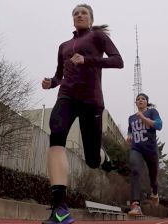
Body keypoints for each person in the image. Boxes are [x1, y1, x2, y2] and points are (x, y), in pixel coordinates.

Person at [41, 4, 123, 224]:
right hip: (66, 96)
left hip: (91, 100)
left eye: (83, 13)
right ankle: (60, 209)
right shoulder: (64, 46)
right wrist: (51, 83)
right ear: (72, 19)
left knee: (92, 160)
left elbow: (118, 61)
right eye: (75, 13)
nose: (79, 15)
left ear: (91, 18)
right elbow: (60, 75)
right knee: (56, 136)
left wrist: (87, 60)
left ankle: (103, 156)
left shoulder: (97, 37)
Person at [126, 93, 163, 215]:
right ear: (136, 103)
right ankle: (135, 205)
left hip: (151, 149)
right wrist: (129, 137)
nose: (140, 100)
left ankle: (155, 193)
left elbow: (159, 125)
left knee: (153, 178)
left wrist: (142, 117)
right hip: (136, 148)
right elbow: (130, 130)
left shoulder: (152, 112)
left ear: (147, 102)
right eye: (138, 99)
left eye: (143, 99)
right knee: (135, 171)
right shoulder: (131, 118)